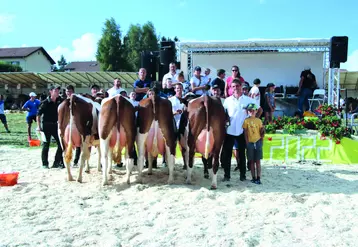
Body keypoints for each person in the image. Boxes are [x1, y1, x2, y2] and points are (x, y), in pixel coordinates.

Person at [221, 79, 262, 182]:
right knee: (227, 155)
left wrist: (254, 120)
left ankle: (242, 176)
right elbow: (223, 115)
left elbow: (259, 109)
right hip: (229, 131)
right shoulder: (227, 100)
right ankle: (227, 175)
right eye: (233, 86)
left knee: (242, 155)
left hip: (242, 132)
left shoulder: (248, 100)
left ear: (241, 86)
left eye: (237, 86)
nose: (235, 88)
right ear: (231, 88)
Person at [36, 85, 64, 169]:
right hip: (46, 125)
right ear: (50, 91)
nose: (57, 92)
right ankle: (45, 164)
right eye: (55, 90)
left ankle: (57, 162)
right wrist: (39, 126)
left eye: (58, 90)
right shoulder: (45, 102)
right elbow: (38, 115)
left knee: (61, 145)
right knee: (46, 144)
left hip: (56, 125)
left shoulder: (60, 101)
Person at [243, 103, 264, 184]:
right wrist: (247, 142)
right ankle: (253, 177)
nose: (252, 111)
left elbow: (261, 131)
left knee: (258, 161)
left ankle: (258, 177)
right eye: (250, 110)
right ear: (248, 112)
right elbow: (245, 132)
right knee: (251, 161)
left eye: (253, 110)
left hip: (257, 141)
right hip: (250, 143)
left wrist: (261, 140)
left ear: (256, 111)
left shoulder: (258, 120)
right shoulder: (246, 121)